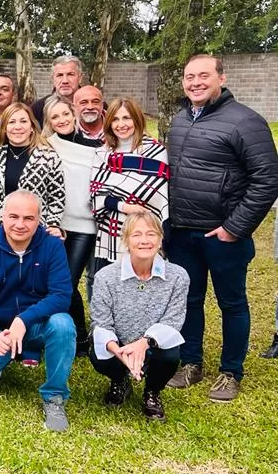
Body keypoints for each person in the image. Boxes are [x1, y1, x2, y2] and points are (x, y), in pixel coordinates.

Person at [165, 54, 278, 402]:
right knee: (189, 299)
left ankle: (231, 371)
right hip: (182, 231)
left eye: (203, 76)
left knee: (232, 302)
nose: (195, 82)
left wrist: (235, 227)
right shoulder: (180, 119)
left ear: (221, 79)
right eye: (189, 77)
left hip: (223, 234)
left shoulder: (245, 121)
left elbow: (267, 179)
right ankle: (190, 363)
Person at [0, 191, 75, 432]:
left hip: (38, 324)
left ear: (39, 218)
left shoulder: (52, 246)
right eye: (14, 216)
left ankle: (54, 397)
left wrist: (24, 319)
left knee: (63, 324)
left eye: (29, 218)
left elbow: (61, 295)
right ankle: (2, 357)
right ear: (2, 216)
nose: (20, 224)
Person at [90, 211, 189, 421]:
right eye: (136, 235)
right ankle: (120, 380)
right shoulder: (105, 277)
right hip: (120, 345)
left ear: (161, 238)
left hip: (153, 345)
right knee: (99, 354)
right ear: (125, 240)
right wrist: (119, 351)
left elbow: (173, 322)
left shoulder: (178, 276)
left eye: (151, 234)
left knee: (171, 354)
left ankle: (152, 391)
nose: (144, 240)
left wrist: (143, 344)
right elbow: (101, 324)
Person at [44, 94, 101, 352]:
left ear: (74, 114)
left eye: (65, 114)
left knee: (67, 282)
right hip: (56, 224)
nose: (61, 120)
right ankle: (67, 333)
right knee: (54, 280)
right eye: (54, 117)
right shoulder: (46, 145)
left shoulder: (97, 147)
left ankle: (80, 337)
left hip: (85, 226)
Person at [90, 97, 169, 279]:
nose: (121, 124)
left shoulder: (155, 152)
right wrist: (126, 207)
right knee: (109, 285)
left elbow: (158, 195)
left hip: (145, 231)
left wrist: (118, 199)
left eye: (127, 118)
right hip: (111, 231)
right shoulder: (102, 153)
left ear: (137, 119)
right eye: (115, 119)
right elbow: (96, 196)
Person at [0, 103, 65, 235]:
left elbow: (57, 196)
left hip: (36, 231)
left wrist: (53, 224)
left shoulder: (48, 156)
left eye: (23, 121)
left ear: (32, 127)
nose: (18, 127)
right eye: (12, 122)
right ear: (5, 128)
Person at [31, 55, 84, 125]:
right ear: (53, 79)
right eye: (59, 75)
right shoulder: (38, 108)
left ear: (80, 78)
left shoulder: (94, 105)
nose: (65, 81)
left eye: (70, 74)